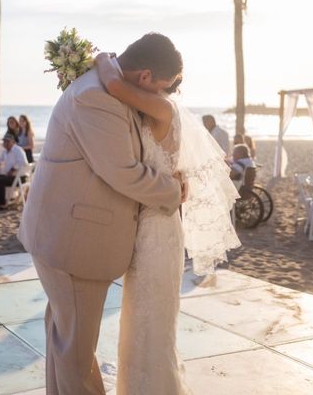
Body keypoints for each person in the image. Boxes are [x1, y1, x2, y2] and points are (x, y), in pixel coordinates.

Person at [93, 46, 240, 394]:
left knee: (152, 321)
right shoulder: (151, 106)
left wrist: (99, 57)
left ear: (151, 79)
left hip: (158, 231)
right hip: (150, 223)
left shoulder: (162, 107)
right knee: (139, 318)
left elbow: (114, 85)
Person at [0, 133, 27, 210]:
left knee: (0, 180)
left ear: (13, 142)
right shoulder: (4, 151)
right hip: (10, 175)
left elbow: (23, 163)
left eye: (8, 141)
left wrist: (13, 169)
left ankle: (1, 203)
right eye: (4, 141)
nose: (6, 143)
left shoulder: (18, 150)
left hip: (19, 177)